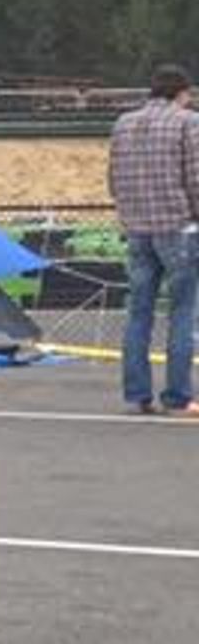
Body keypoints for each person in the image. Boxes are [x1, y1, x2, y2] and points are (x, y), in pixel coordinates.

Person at [108, 63, 199, 416]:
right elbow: (195, 176)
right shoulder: (188, 122)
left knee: (138, 313)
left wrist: (128, 213)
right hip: (178, 229)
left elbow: (113, 178)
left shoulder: (123, 124)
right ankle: (177, 395)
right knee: (183, 312)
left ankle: (137, 393)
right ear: (181, 93)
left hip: (137, 228)